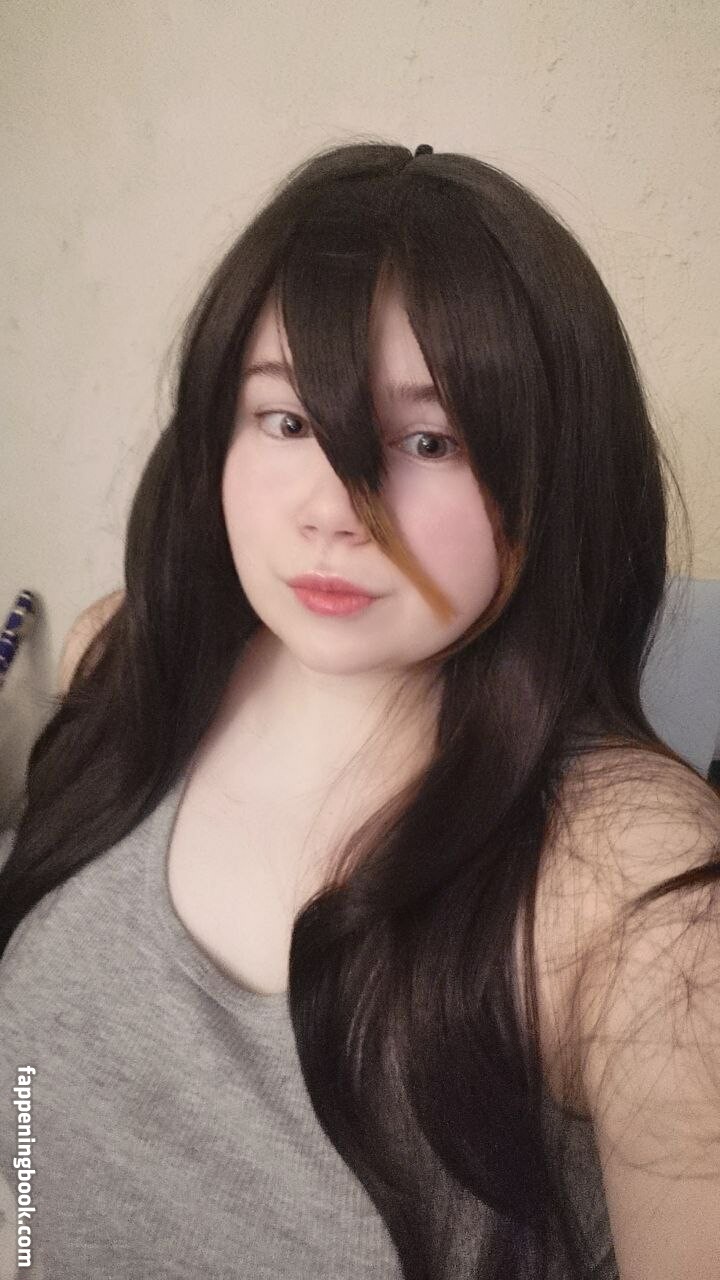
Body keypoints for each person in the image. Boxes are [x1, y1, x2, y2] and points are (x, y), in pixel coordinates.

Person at [1, 140, 718, 1280]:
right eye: (288, 420)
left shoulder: (640, 887)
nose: (335, 508)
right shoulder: (127, 653)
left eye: (430, 440)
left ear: (553, 476)